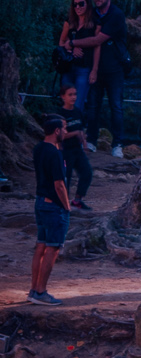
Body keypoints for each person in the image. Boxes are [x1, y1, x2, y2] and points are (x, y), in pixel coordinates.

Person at [29, 116, 72, 305]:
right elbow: (59, 184)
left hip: (40, 202)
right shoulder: (55, 153)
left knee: (41, 245)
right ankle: (41, 291)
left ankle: (33, 289)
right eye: (63, 128)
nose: (65, 132)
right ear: (56, 131)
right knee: (52, 248)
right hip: (53, 205)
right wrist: (66, 205)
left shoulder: (39, 148)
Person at [87, 0, 131, 156]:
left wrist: (73, 42)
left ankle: (117, 144)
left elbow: (98, 40)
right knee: (92, 106)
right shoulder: (92, 14)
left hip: (115, 69)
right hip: (95, 68)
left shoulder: (116, 15)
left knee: (116, 106)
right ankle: (91, 140)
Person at [55, 0, 103, 112]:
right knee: (66, 102)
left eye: (81, 4)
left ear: (87, 4)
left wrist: (94, 70)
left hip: (84, 67)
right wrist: (71, 47)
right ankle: (65, 128)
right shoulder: (70, 21)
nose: (78, 7)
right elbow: (62, 40)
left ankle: (77, 129)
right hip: (68, 66)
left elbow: (97, 45)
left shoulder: (95, 23)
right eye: (75, 4)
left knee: (78, 103)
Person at [57, 83, 93, 209]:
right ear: (63, 97)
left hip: (77, 149)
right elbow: (59, 135)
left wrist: (84, 143)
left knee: (87, 172)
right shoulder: (60, 114)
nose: (73, 97)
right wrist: (75, 133)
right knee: (66, 176)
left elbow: (81, 128)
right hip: (65, 149)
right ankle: (63, 202)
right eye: (70, 95)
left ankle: (77, 200)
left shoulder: (77, 111)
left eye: (75, 94)